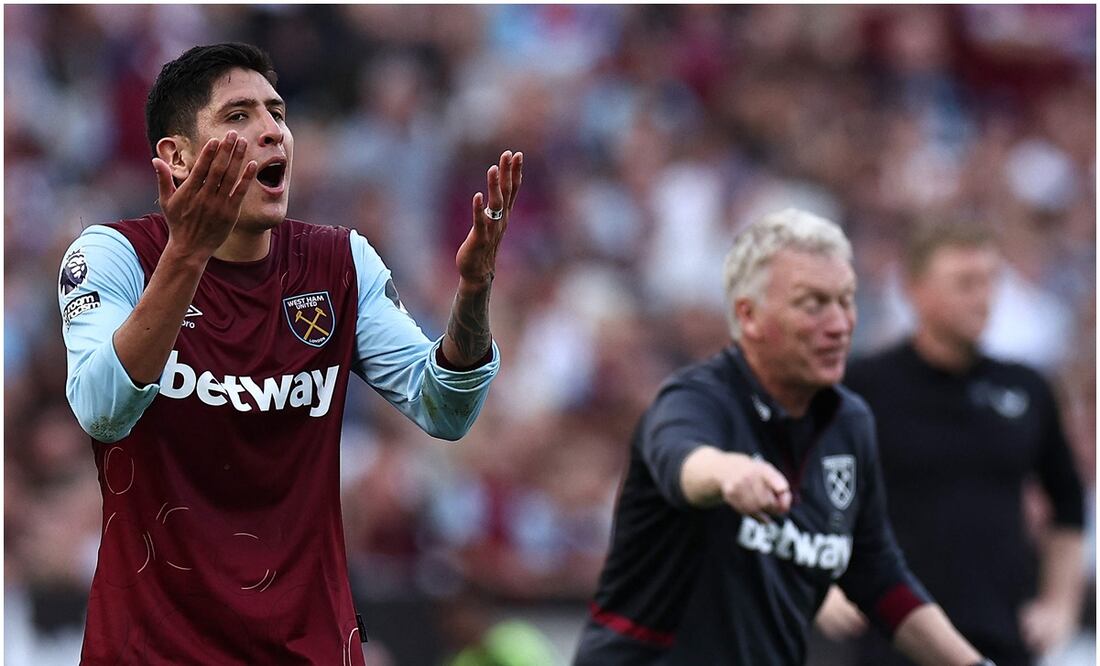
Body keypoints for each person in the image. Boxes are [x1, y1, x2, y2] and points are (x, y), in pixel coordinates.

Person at [57, 43, 523, 665]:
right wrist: (189, 253)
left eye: (277, 113)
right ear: (178, 157)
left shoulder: (339, 264)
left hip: (309, 648)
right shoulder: (113, 257)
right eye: (238, 116)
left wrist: (474, 290)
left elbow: (445, 407)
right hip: (153, 650)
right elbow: (101, 410)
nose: (272, 131)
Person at [573, 209, 994, 665]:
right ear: (749, 316)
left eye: (846, 300)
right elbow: (683, 460)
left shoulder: (849, 422)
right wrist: (729, 473)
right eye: (812, 304)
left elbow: (878, 575)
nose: (839, 324)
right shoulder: (695, 399)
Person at [820, 221, 1085, 666]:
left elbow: (1069, 504)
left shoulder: (1026, 388)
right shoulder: (863, 388)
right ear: (914, 290)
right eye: (965, 283)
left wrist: (1060, 605)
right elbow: (801, 487)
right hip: (889, 640)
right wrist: (822, 586)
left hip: (1001, 637)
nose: (983, 298)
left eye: (991, 281)